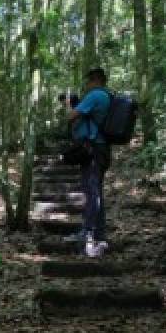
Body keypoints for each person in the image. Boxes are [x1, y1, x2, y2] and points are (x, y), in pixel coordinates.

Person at [63, 67, 112, 257]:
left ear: (95, 80)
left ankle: (89, 233)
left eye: (88, 81)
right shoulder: (107, 96)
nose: (87, 85)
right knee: (95, 191)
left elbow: (72, 116)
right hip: (100, 149)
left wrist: (70, 105)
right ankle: (98, 234)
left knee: (92, 192)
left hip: (93, 150)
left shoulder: (95, 95)